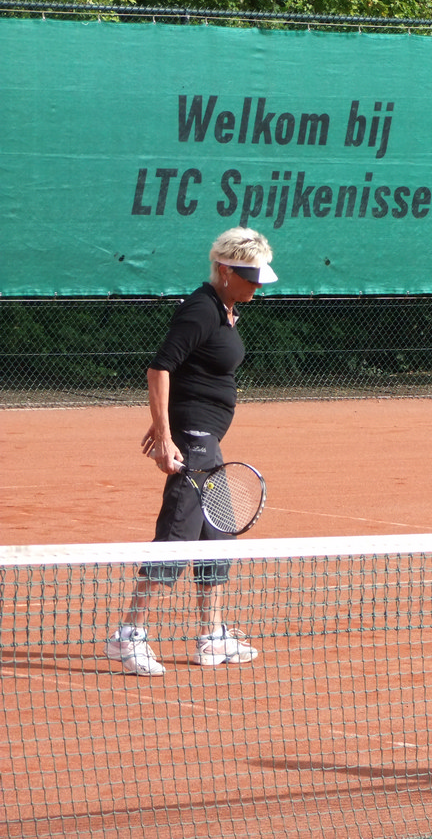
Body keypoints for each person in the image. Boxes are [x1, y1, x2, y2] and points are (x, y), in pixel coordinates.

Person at [102, 227, 278, 676]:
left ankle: (211, 635)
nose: (257, 286)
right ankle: (128, 635)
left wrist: (166, 418)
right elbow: (160, 367)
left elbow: (189, 369)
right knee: (178, 532)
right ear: (224, 270)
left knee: (217, 536)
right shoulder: (201, 309)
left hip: (207, 440)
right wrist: (166, 435)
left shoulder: (226, 310)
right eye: (250, 277)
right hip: (195, 440)